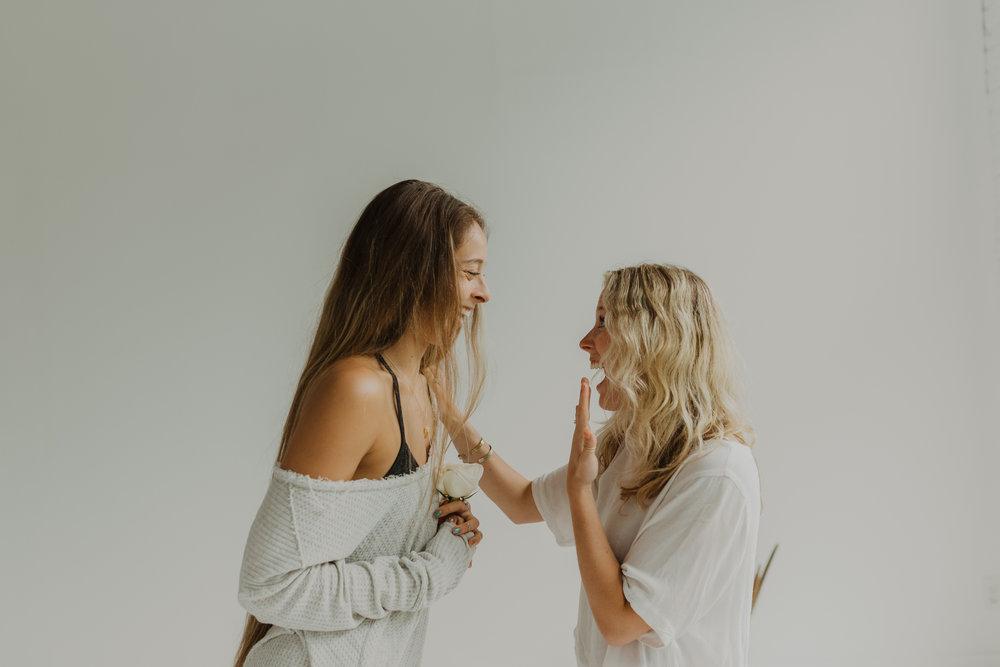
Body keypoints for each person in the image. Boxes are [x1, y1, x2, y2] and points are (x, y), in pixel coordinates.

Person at [434, 263, 760, 666]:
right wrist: (443, 406)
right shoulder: (632, 447)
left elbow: (620, 622)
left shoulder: (718, 473)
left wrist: (578, 491)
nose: (586, 342)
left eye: (604, 322)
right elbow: (520, 502)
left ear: (654, 342)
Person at [234, 180, 491, 666]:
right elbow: (269, 583)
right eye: (470, 273)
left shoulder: (421, 383)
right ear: (417, 274)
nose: (483, 293)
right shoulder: (359, 388)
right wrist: (430, 572)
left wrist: (442, 533)